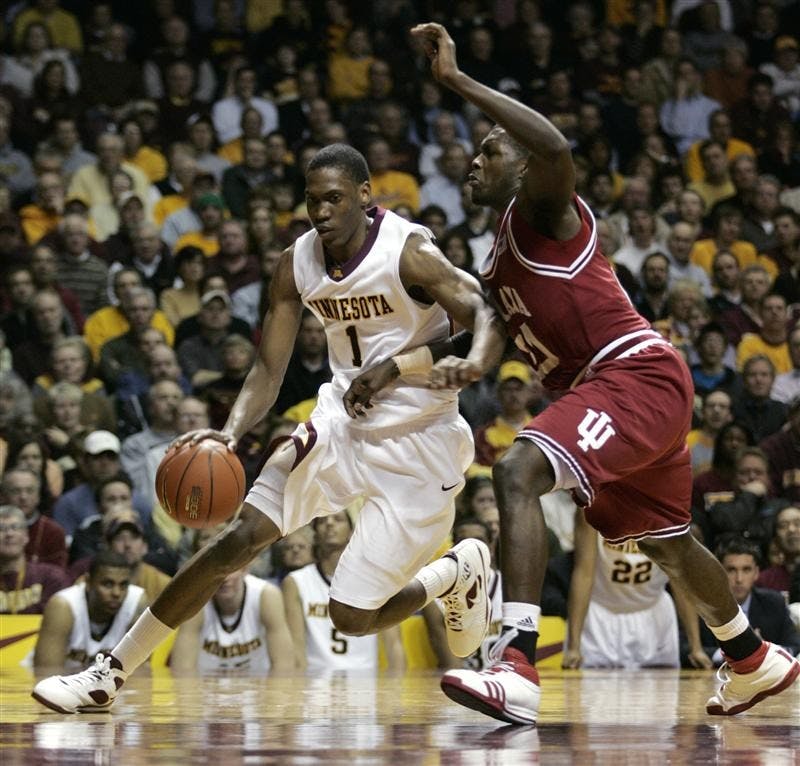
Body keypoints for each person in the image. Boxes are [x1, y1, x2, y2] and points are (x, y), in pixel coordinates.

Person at [345, 23, 800, 724]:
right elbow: (488, 326)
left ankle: (517, 662)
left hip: (632, 376)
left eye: (488, 153)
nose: (472, 163)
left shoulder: (548, 210)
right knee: (668, 541)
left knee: (517, 471)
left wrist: (458, 82)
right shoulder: (498, 259)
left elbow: (554, 145)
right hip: (619, 392)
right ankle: (751, 658)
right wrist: (430, 367)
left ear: (522, 167)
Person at [31, 141, 502, 713]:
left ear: (364, 195)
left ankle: (454, 573)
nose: (322, 212)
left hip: (420, 439)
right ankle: (111, 672)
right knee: (240, 538)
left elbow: (489, 317)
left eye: (334, 199)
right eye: (312, 201)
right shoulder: (296, 263)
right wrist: (228, 433)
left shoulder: (409, 253)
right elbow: (268, 368)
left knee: (352, 617)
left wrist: (402, 366)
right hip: (341, 424)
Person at [563, 508, 712, 670]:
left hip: (654, 615)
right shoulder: (591, 507)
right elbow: (584, 574)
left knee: (664, 693)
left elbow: (680, 583)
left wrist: (696, 646)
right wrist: (573, 646)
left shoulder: (668, 509)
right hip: (601, 615)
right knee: (590, 693)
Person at [282, 510, 405, 672]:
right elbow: (296, 647)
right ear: (315, 534)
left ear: (352, 532)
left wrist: (395, 692)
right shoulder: (296, 582)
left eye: (338, 519)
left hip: (364, 682)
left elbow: (393, 645)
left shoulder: (375, 581)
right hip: (316, 682)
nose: (330, 523)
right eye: (322, 521)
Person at [171, 527, 294, 674]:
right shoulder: (194, 600)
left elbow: (283, 668)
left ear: (245, 568)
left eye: (230, 569)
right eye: (217, 571)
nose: (224, 579)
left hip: (257, 690)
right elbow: (182, 671)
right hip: (206, 691)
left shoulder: (266, 596)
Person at [33, 550, 147, 673]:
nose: (116, 593)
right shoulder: (63, 606)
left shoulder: (136, 602)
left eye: (123, 585)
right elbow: (45, 677)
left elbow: (140, 674)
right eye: (107, 584)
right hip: (64, 686)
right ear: (88, 582)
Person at [700, 539, 800, 662]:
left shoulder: (774, 602)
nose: (739, 579)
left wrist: (764, 650)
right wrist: (732, 654)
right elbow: (684, 649)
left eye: (746, 569)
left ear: (756, 573)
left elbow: (794, 647)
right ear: (719, 572)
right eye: (731, 570)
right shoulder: (704, 605)